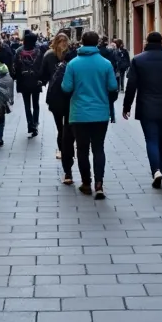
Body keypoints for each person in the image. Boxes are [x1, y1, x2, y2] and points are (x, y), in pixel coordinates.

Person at [61, 31, 119, 199]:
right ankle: (99, 184)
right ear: (97, 43)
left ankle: (86, 183)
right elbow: (112, 86)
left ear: (81, 42)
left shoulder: (73, 64)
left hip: (79, 114)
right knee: (99, 148)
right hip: (100, 113)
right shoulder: (106, 63)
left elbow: (66, 87)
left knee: (82, 149)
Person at [122, 31, 162, 188]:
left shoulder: (138, 60)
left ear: (146, 41)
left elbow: (131, 85)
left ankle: (156, 170)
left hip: (146, 105)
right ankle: (160, 167)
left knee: (151, 138)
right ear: (161, 42)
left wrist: (126, 106)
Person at [40, 33, 76, 177]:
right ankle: (69, 151)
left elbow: (42, 75)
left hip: (55, 96)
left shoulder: (48, 55)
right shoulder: (73, 55)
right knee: (68, 126)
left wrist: (42, 82)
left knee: (59, 127)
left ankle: (62, 150)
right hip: (69, 96)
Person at [12, 30, 43, 137]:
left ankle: (30, 124)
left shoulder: (19, 51)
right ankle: (35, 123)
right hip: (35, 80)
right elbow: (42, 66)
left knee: (27, 105)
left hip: (23, 80)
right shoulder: (38, 50)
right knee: (36, 104)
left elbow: (15, 65)